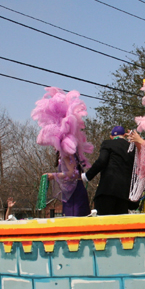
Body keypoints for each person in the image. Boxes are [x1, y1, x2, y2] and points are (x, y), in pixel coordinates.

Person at [31, 87, 94, 217]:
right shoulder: (65, 153)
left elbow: (72, 173)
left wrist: (53, 175)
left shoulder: (66, 153)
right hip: (72, 194)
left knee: (75, 225)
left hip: (75, 194)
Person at [82, 126, 136, 215]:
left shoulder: (108, 144)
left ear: (111, 136)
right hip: (124, 193)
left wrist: (87, 176)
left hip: (107, 190)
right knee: (120, 224)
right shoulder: (132, 147)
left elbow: (101, 161)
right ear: (124, 135)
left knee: (104, 223)